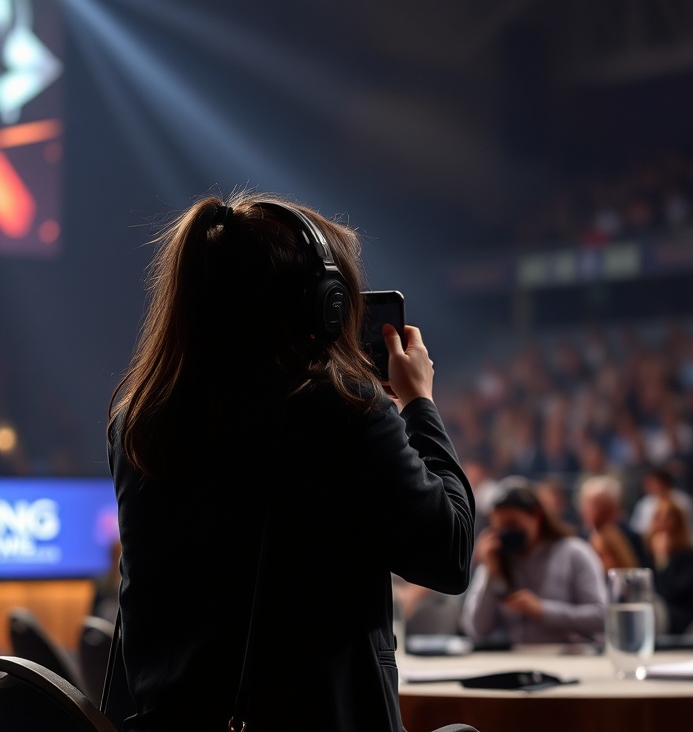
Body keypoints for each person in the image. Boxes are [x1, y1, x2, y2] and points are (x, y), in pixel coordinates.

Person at [108, 193, 475, 732]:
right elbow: (451, 554)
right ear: (320, 304)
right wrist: (419, 402)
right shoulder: (342, 408)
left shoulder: (138, 421)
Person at [460, 480, 606, 645]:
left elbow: (602, 617)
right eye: (500, 528)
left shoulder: (574, 553)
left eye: (512, 524)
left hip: (569, 656)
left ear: (536, 516)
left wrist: (542, 610)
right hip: (517, 659)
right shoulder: (497, 559)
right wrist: (490, 572)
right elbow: (475, 630)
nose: (507, 533)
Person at [645, 496, 693, 634]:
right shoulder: (647, 551)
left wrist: (663, 560)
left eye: (668, 517)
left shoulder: (688, 554)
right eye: (659, 516)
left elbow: (675, 592)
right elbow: (647, 589)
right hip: (652, 614)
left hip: (680, 619)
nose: (663, 522)